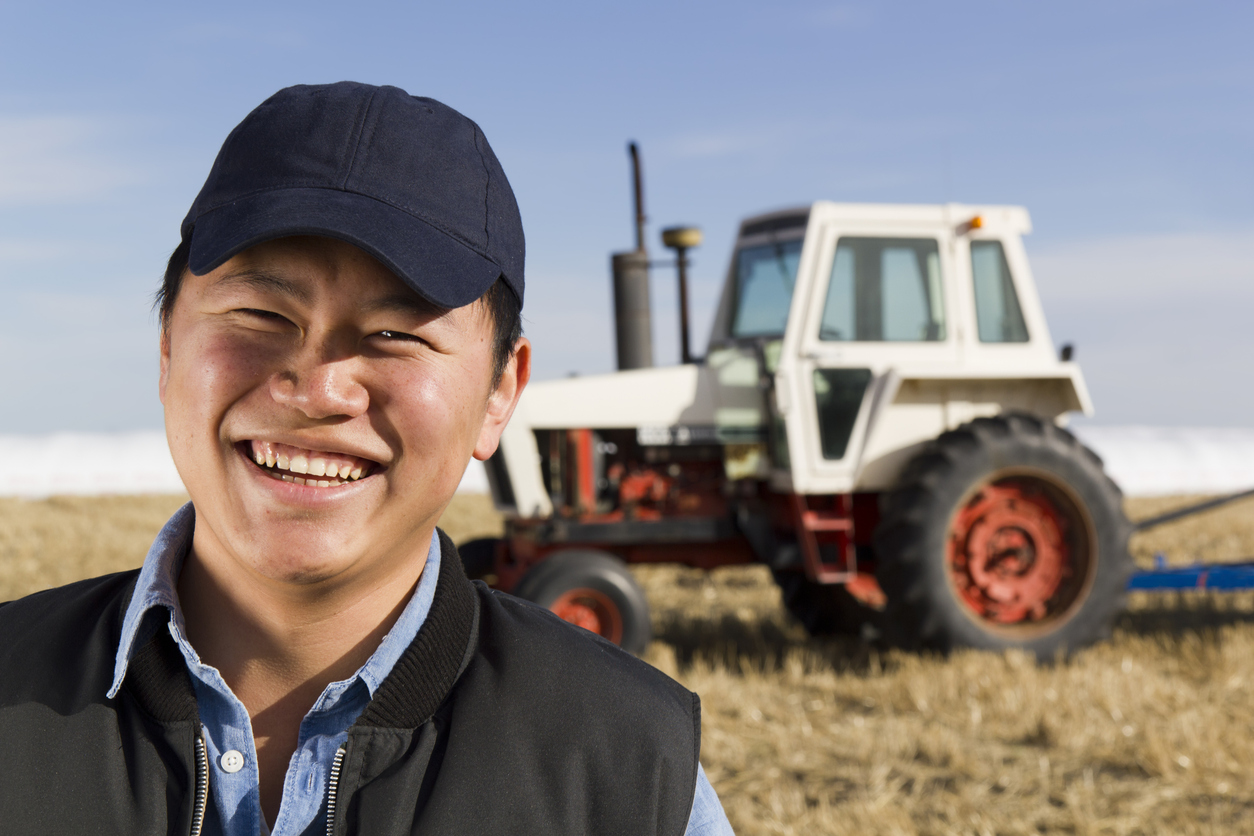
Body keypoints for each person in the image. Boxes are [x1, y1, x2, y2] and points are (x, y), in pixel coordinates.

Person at [0, 81, 733, 835]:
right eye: (260, 314)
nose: (317, 389)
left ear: (498, 394)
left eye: (395, 335)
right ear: (166, 349)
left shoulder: (628, 769)